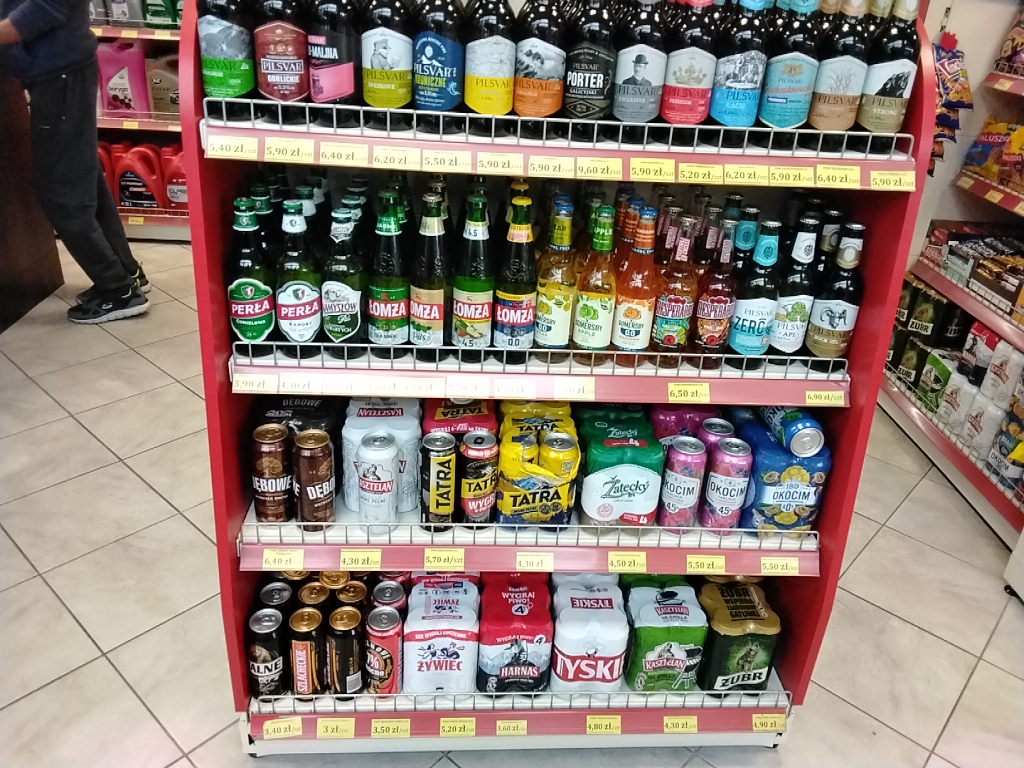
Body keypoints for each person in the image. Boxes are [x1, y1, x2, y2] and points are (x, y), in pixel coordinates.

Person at [0, 0, 150, 323]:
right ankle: (125, 272)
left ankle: (117, 290)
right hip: (58, 69)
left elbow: (43, 10)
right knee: (82, 177)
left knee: (60, 189)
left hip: (60, 71)